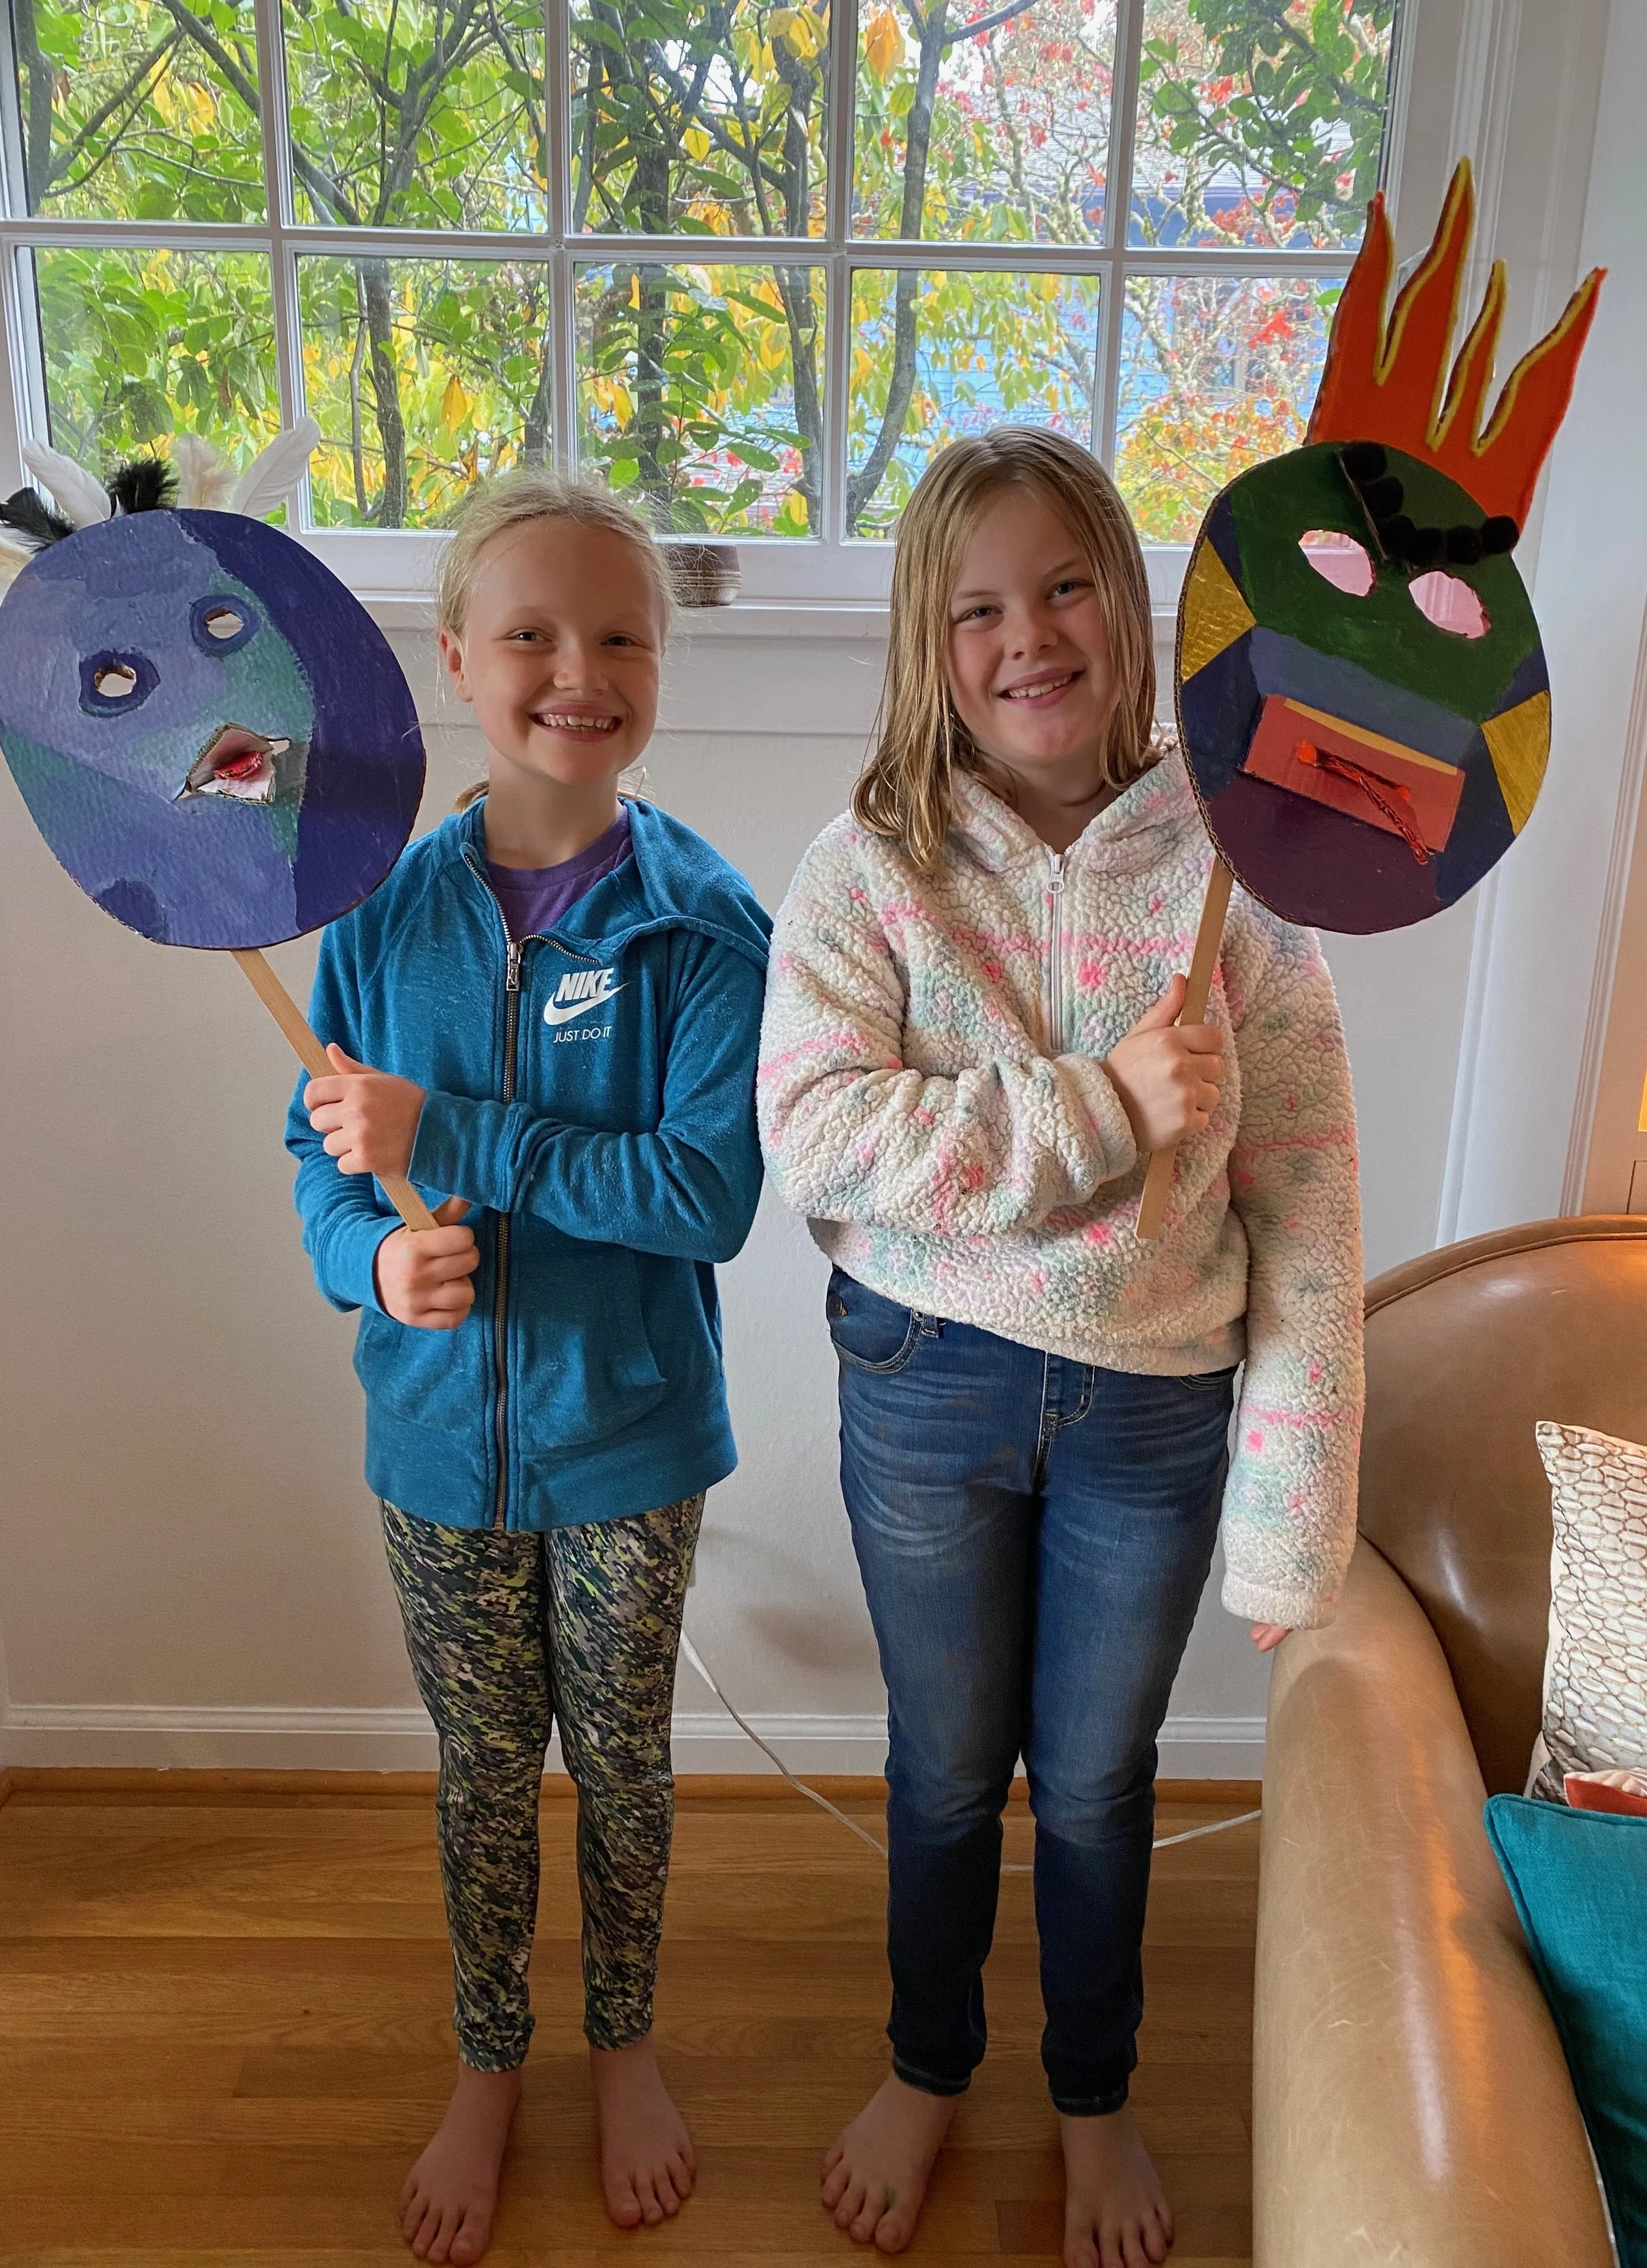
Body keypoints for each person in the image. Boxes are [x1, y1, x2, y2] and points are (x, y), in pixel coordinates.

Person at [757, 428, 1364, 2268]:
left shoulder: (1231, 868)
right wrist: (1095, 1101)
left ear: (1128, 590)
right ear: (919, 644)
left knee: (1097, 1783)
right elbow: (821, 1142)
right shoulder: (864, 869)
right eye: (974, 608)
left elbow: (1310, 1204)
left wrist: (1291, 1509)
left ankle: (1089, 2093)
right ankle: (928, 2061)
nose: (1027, 635)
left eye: (1065, 584)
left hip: (1156, 1418)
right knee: (945, 1771)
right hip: (926, 1388)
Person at [287, 470, 770, 2267]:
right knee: (483, 1771)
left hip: (629, 1439)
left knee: (620, 1764)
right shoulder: (381, 912)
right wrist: (371, 1250)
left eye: (621, 631)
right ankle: (490, 2059)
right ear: (456, 660)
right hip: (431, 1454)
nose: (581, 667)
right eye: (533, 634)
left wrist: (462, 1138)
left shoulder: (700, 925)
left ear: (659, 659)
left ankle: (621, 2044)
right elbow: (322, 1160)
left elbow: (705, 1194)